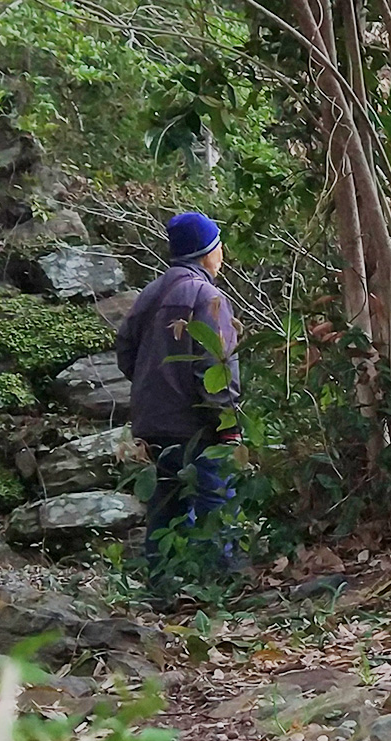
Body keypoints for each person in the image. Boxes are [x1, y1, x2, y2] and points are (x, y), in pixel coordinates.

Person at [116, 211, 243, 582]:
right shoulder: (206, 296)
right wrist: (228, 423)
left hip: (153, 423)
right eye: (219, 245)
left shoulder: (149, 294)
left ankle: (163, 588)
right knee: (216, 503)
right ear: (206, 252)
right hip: (196, 424)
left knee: (166, 507)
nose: (222, 253)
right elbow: (216, 364)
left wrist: (154, 387)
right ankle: (223, 586)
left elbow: (125, 352)